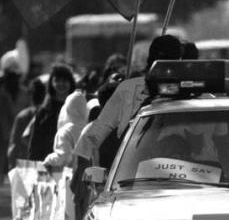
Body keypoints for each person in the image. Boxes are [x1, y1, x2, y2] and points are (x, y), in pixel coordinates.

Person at [75, 35, 182, 168]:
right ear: (150, 62)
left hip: (183, 174)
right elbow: (96, 132)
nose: (166, 69)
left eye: (170, 61)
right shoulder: (128, 90)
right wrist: (81, 171)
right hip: (131, 175)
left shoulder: (191, 92)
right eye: (160, 61)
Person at [44, 90, 89, 220]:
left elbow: (63, 157)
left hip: (69, 181)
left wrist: (49, 160)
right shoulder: (89, 127)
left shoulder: (65, 131)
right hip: (88, 180)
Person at [26, 64, 76, 162]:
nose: (61, 84)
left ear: (71, 83)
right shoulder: (44, 110)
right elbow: (34, 141)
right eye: (57, 81)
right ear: (51, 83)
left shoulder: (77, 107)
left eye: (64, 81)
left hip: (70, 162)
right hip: (46, 162)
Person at [7, 77, 46, 166]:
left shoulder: (22, 116)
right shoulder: (50, 115)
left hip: (24, 164)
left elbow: (14, 146)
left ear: (30, 95)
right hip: (43, 164)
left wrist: (12, 165)